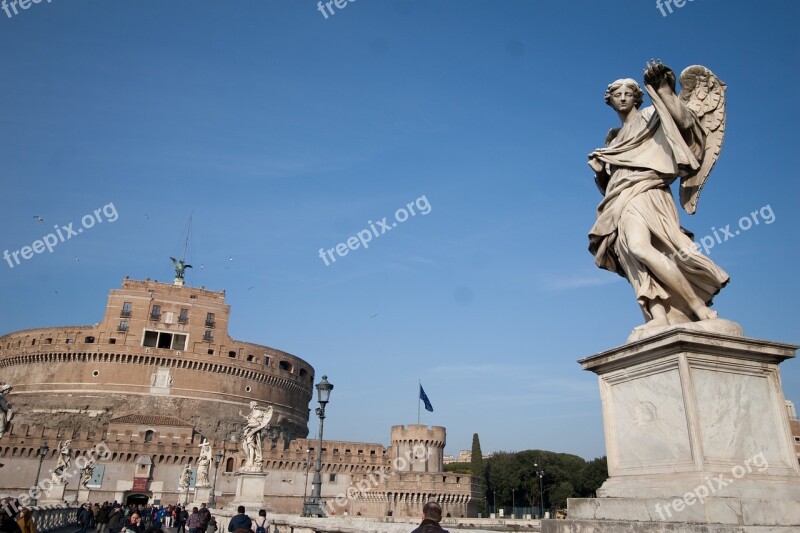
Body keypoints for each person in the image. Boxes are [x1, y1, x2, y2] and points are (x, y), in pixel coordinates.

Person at [588, 62, 729, 332]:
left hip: (648, 192)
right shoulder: (614, 141)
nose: (623, 98)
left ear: (637, 96)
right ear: (610, 101)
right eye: (617, 94)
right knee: (632, 255)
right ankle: (658, 316)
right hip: (619, 199)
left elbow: (687, 123)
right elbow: (609, 186)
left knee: (641, 247)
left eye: (628, 93)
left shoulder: (652, 113)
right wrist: (599, 174)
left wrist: (665, 90)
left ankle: (698, 306)